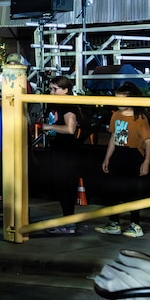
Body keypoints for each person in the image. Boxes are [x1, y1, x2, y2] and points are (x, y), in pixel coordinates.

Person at [96, 82, 150, 238]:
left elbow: (148, 140)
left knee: (133, 191)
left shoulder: (140, 118)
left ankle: (135, 225)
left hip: (133, 155)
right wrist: (107, 158)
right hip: (118, 155)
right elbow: (113, 137)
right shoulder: (116, 115)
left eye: (121, 99)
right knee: (113, 190)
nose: (118, 102)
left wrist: (146, 161)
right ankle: (114, 223)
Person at [43, 75, 84, 235]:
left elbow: (70, 129)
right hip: (59, 149)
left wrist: (49, 126)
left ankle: (69, 222)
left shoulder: (67, 105)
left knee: (65, 186)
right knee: (62, 186)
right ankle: (67, 221)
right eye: (51, 89)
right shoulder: (57, 103)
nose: (51, 92)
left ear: (66, 90)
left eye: (55, 89)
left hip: (66, 151)